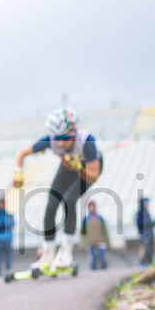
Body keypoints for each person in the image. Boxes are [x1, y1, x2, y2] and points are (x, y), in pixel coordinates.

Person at [12, 107, 103, 271]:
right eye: (57, 138)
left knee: (69, 200)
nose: (60, 143)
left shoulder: (87, 142)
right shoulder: (51, 140)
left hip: (87, 169)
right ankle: (48, 252)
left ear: (74, 133)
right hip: (68, 165)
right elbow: (21, 153)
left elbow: (94, 175)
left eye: (66, 138)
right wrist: (18, 173)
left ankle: (66, 252)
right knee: (51, 204)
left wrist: (78, 167)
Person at [81, 200, 110, 270]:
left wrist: (108, 242)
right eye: (90, 207)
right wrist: (82, 244)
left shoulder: (100, 218)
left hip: (100, 241)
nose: (92, 208)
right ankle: (92, 274)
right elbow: (83, 233)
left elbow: (104, 231)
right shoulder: (86, 219)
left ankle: (105, 272)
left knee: (103, 258)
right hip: (90, 243)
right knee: (92, 260)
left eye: (93, 206)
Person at [0, 198, 15, 277]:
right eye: (0, 204)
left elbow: (12, 224)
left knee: (8, 259)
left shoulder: (9, 214)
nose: (2, 205)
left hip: (7, 239)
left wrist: (0, 224)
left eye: (3, 204)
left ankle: (8, 272)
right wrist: (5, 224)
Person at [135, 197, 155, 268]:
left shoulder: (147, 213)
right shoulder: (139, 213)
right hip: (144, 236)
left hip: (150, 235)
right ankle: (142, 265)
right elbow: (140, 224)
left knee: (150, 251)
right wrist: (149, 223)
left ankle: (150, 265)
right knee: (145, 251)